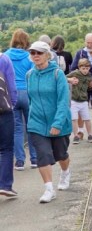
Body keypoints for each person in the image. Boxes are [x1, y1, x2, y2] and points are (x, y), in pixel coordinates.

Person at [26, 41, 72, 203]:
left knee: (61, 155)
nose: (36, 56)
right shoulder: (30, 75)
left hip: (58, 122)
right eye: (33, 53)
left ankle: (65, 172)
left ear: (47, 55)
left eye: (39, 53)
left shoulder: (57, 74)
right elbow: (31, 100)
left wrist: (57, 123)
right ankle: (49, 189)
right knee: (43, 155)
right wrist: (31, 118)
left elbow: (63, 101)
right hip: (37, 123)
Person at [5, 28, 39, 170]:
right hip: (27, 92)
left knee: (17, 129)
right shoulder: (29, 56)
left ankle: (19, 161)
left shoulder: (6, 56)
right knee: (31, 126)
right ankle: (34, 159)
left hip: (11, 94)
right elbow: (34, 75)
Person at [0, 49, 18, 199]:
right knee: (6, 148)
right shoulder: (4, 59)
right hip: (4, 110)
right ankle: (5, 185)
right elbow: (11, 85)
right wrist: (12, 103)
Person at [67, 57, 92, 142]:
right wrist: (70, 80)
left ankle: (90, 135)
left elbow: (91, 83)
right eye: (83, 68)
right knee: (74, 119)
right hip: (74, 100)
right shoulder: (75, 73)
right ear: (79, 67)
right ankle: (76, 136)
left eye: (87, 68)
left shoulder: (89, 75)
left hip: (84, 101)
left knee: (87, 118)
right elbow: (63, 77)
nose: (85, 70)